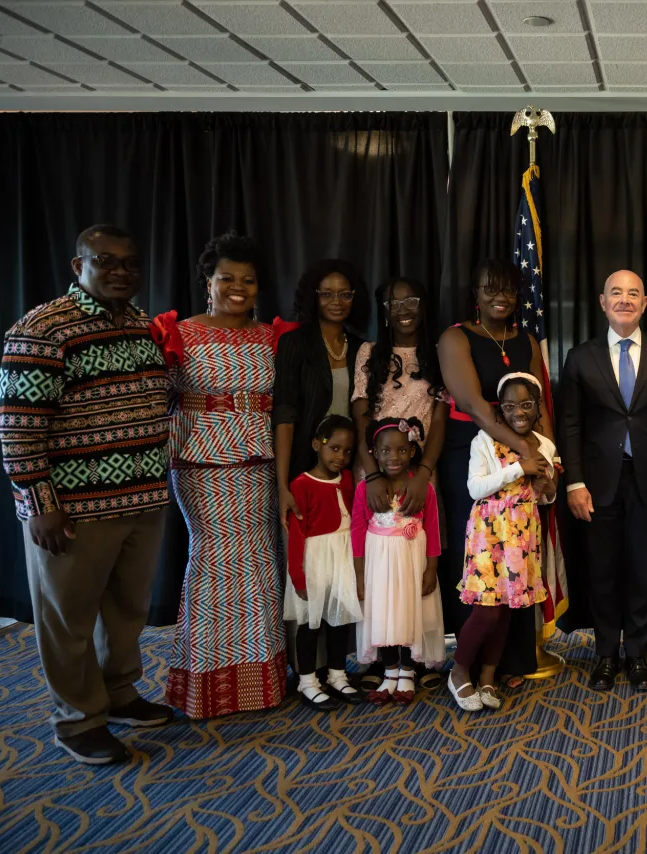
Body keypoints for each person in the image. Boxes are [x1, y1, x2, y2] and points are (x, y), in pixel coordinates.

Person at [0, 224, 173, 764]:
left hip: (143, 499)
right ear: (79, 267)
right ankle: (77, 721)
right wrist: (41, 504)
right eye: (106, 261)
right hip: (74, 511)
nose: (121, 271)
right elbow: (17, 425)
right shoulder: (43, 328)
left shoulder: (142, 325)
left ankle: (119, 693)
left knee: (126, 612)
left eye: (129, 262)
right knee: (68, 619)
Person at [156, 232, 295, 719]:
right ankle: (203, 684)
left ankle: (261, 682)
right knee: (211, 562)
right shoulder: (178, 333)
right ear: (208, 283)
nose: (238, 288)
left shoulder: (272, 337)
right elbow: (156, 399)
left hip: (259, 463)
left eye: (249, 280)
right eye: (227, 278)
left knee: (258, 563)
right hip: (200, 464)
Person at [559, 270, 647, 693]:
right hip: (597, 486)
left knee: (643, 570)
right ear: (602, 301)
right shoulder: (581, 356)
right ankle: (604, 656)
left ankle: (637, 655)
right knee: (602, 572)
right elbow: (571, 425)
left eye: (633, 293)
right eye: (616, 292)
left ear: (645, 302)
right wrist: (574, 483)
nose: (624, 300)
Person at [437, 259, 552, 687]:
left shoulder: (526, 340)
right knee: (483, 560)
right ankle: (467, 664)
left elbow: (540, 405)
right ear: (476, 293)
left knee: (517, 554)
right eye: (490, 289)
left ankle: (507, 663)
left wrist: (549, 460)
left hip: (523, 457)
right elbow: (473, 403)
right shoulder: (456, 337)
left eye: (508, 289)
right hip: (473, 453)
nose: (500, 297)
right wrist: (524, 450)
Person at [352, 276, 447, 689]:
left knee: (417, 556)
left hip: (420, 469)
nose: (404, 309)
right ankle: (382, 652)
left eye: (411, 300)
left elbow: (440, 418)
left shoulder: (437, 352)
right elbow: (359, 416)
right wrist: (371, 471)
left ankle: (419, 655)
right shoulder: (370, 353)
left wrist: (424, 471)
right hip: (376, 470)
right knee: (381, 563)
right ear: (383, 311)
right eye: (394, 303)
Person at [451, 373, 558, 711]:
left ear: (537, 407)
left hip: (523, 534)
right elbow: (475, 488)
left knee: (508, 610)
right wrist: (518, 467)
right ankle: (458, 672)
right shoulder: (484, 439)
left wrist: (547, 485)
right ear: (501, 410)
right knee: (487, 612)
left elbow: (543, 498)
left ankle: (487, 677)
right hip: (489, 533)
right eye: (509, 406)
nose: (518, 413)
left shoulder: (546, 445)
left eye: (526, 405)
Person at [351, 416, 443, 704]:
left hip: (411, 562)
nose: (394, 457)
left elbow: (434, 529)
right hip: (378, 564)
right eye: (387, 451)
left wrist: (431, 568)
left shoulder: (422, 488)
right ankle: (389, 671)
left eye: (402, 450)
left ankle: (407, 671)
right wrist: (359, 575)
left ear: (412, 451)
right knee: (383, 614)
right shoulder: (364, 489)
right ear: (375, 453)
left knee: (407, 612)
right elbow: (356, 531)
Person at [275, 259, 368, 531]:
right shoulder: (295, 344)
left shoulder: (361, 349)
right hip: (304, 468)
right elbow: (284, 414)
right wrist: (282, 485)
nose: (336, 301)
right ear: (312, 297)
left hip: (348, 470)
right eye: (326, 294)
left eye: (344, 294)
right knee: (305, 558)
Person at [283, 415, 365, 710]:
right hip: (314, 561)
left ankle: (337, 674)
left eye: (347, 451)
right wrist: (298, 576)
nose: (341, 456)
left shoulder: (347, 480)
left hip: (342, 557)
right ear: (317, 444)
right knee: (310, 624)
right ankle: (307, 681)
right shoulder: (301, 484)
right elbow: (296, 536)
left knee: (339, 621)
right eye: (335, 448)